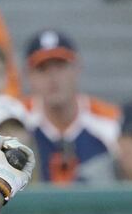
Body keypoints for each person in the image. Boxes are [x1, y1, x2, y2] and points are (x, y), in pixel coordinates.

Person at [25, 29, 120, 184]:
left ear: (77, 68)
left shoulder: (109, 122)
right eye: (43, 69)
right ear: (29, 76)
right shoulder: (17, 120)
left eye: (61, 66)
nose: (53, 78)